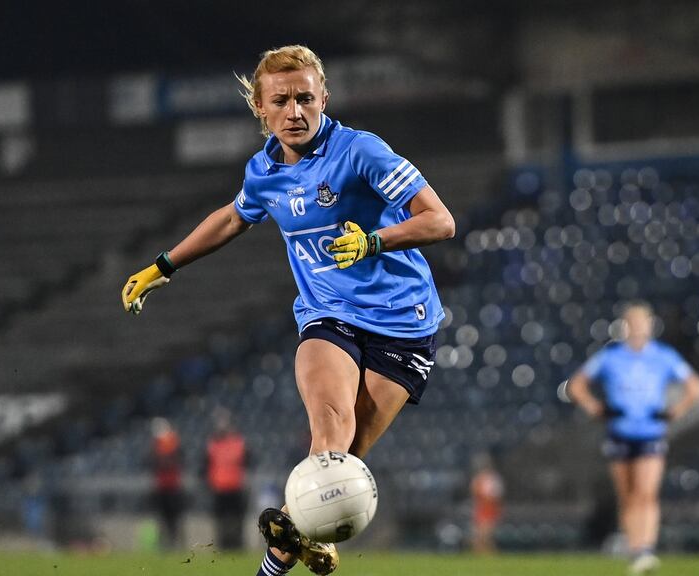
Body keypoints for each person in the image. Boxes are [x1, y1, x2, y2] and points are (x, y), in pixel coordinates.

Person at [120, 45, 455, 575]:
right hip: (328, 315)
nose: (294, 112)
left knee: (341, 465)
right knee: (329, 436)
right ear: (260, 106)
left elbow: (440, 221)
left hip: (404, 324)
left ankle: (308, 535)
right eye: (281, 101)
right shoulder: (263, 172)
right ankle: (292, 551)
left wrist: (373, 241)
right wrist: (163, 266)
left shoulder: (361, 152)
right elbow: (233, 218)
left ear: (324, 98)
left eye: (305, 98)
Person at [567, 302, 699, 575]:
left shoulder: (664, 356)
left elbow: (695, 387)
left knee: (646, 492)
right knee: (628, 495)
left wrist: (674, 412)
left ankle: (646, 548)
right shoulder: (610, 357)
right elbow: (576, 386)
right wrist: (596, 409)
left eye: (642, 322)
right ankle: (635, 549)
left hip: (650, 433)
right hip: (619, 432)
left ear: (650, 325)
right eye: (633, 322)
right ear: (625, 326)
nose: (638, 327)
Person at [204, 411, 248, 551]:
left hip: (235, 487)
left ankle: (237, 544)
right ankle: (222, 544)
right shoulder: (212, 444)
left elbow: (247, 461)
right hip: (219, 488)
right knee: (220, 520)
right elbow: (206, 465)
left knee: (237, 519)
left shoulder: (238, 442)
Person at [151, 417, 184, 550]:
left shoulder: (173, 443)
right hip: (162, 485)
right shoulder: (157, 444)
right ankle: (166, 542)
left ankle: (174, 542)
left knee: (173, 517)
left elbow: (170, 461)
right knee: (163, 516)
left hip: (172, 485)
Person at [469, 452, 504, 554]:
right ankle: (480, 553)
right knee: (479, 534)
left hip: (489, 507)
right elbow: (474, 492)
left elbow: (496, 495)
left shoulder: (493, 478)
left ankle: (489, 553)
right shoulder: (479, 478)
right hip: (481, 507)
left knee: (486, 534)